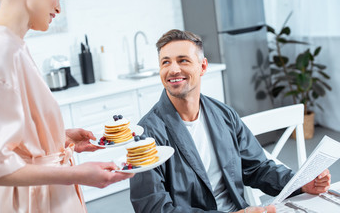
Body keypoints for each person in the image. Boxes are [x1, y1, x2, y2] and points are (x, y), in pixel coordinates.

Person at [129, 29, 331, 213]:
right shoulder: (145, 135)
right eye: (166, 62)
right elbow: (153, 208)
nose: (173, 69)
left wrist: (300, 184)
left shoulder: (224, 115)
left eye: (183, 60)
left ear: (203, 66)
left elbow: (257, 168)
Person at [0, 0, 133, 212]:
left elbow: (11, 135)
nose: (59, 8)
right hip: (36, 202)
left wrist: (56, 139)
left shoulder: (8, 44)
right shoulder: (2, 51)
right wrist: (75, 173)